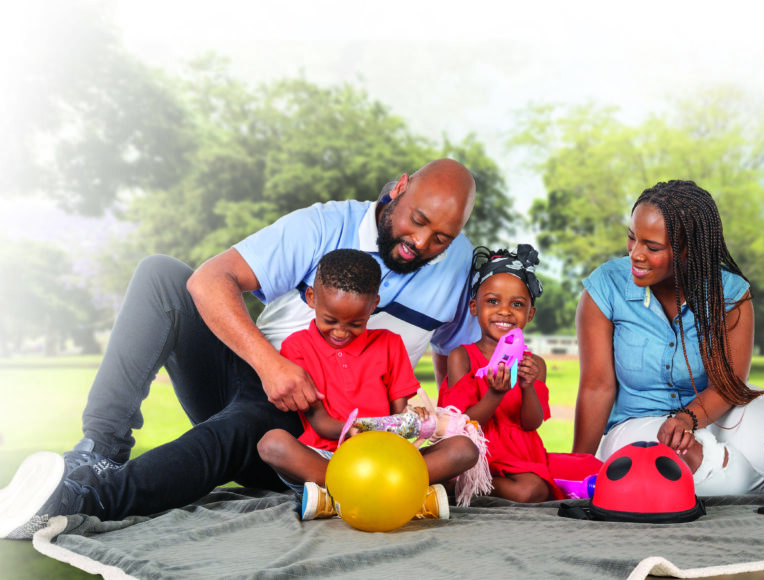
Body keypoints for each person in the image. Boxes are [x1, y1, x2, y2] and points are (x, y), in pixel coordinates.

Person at [0, 158, 480, 539]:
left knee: (248, 425)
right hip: (259, 371)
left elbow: (455, 349)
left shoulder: (457, 264)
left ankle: (84, 497)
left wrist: (460, 427)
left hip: (316, 432)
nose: (421, 242)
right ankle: (100, 450)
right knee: (161, 275)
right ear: (398, 189)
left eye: (441, 236)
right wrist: (270, 365)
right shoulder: (321, 226)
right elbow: (211, 280)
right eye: (417, 221)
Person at [572, 180, 764, 496]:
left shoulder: (730, 294)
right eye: (632, 238)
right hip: (640, 423)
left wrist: (687, 419)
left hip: (717, 412)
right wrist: (577, 467)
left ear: (689, 251)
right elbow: (597, 387)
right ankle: (756, 483)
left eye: (652, 247)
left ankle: (739, 473)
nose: (636, 254)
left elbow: (729, 385)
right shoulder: (605, 288)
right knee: (682, 459)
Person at [257, 248, 476, 520]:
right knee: (272, 444)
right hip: (329, 459)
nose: (340, 331)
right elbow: (320, 423)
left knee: (464, 449)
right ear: (311, 298)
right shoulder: (297, 348)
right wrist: (358, 431)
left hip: (386, 457)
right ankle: (398, 496)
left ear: (373, 305)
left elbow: (401, 415)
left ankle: (336, 499)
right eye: (330, 320)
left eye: (355, 323)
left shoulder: (389, 344)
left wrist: (413, 416)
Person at [440, 245, 600, 503]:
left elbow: (531, 423)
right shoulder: (462, 357)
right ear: (474, 306)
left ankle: (462, 488)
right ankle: (466, 482)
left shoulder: (534, 363)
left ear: (530, 314)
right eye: (492, 301)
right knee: (528, 491)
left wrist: (527, 387)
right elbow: (462, 425)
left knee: (539, 487)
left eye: (517, 304)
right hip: (476, 453)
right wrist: (494, 394)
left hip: (521, 456)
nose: (504, 311)